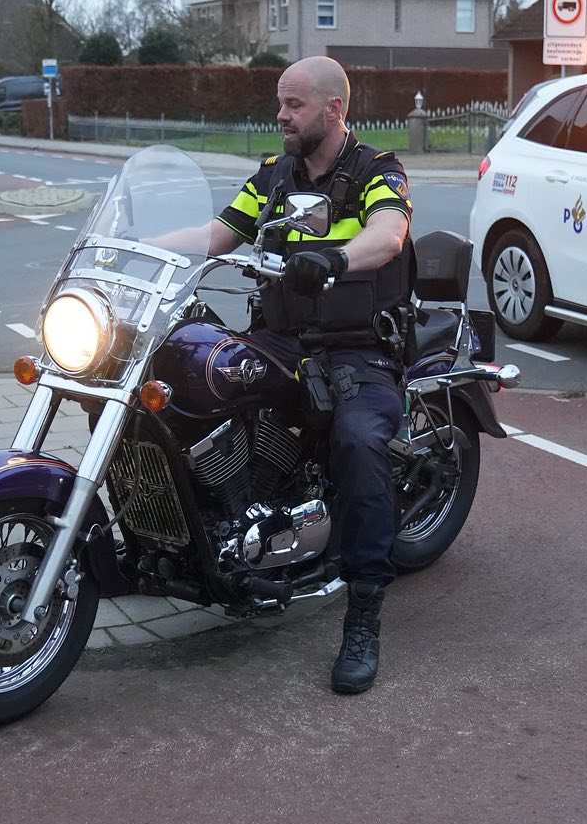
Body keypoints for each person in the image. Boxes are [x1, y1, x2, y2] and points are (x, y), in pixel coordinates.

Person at [161, 56, 413, 695]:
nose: (281, 115)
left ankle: (362, 614)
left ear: (334, 109)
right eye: (280, 103)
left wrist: (332, 259)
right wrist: (138, 249)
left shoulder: (375, 172)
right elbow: (218, 233)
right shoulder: (273, 177)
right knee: (189, 384)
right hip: (279, 339)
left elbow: (388, 236)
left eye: (293, 104)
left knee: (358, 443)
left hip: (356, 348)